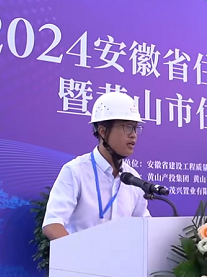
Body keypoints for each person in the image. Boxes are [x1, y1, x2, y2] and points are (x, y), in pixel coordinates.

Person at [41, 92, 151, 241]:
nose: (133, 135)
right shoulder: (75, 171)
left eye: (136, 128)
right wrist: (78, 252)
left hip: (123, 256)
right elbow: (52, 224)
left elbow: (145, 226)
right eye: (127, 127)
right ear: (103, 131)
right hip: (80, 256)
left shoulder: (133, 179)